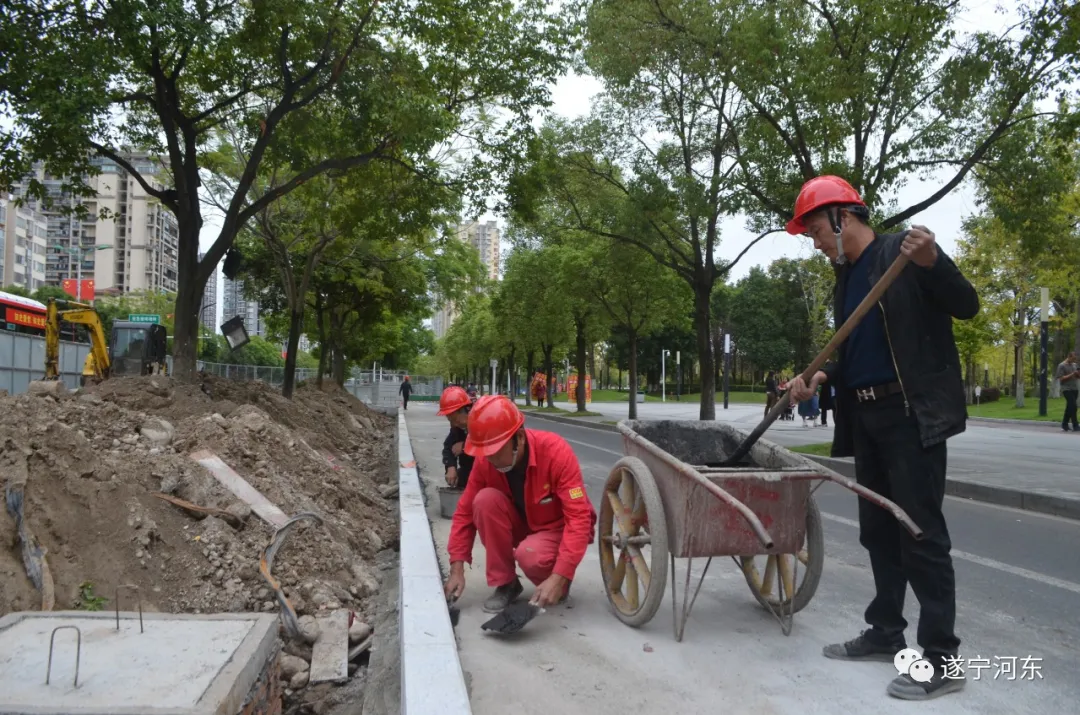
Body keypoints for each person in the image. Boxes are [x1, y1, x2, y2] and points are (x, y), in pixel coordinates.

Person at [785, 175, 979, 701]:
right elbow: (856, 352)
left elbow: (967, 304)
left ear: (844, 216)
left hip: (910, 414)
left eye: (816, 229)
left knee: (920, 534)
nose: (815, 240)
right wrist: (820, 378)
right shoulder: (845, 278)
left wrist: (934, 260)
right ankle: (885, 631)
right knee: (877, 530)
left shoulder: (903, 252)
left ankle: (942, 659)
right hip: (866, 417)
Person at [443, 395, 597, 613]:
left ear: (520, 438)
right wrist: (456, 567)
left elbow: (579, 518)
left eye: (496, 452)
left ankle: (557, 583)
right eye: (486, 453)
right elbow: (464, 513)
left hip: (554, 530)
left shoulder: (556, 452)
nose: (491, 460)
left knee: (530, 554)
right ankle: (506, 583)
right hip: (522, 525)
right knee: (484, 501)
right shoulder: (486, 461)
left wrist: (560, 575)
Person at [438, 386, 475, 490]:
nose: (454, 424)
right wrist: (450, 466)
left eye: (456, 420)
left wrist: (465, 446)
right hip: (469, 468)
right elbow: (448, 446)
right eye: (450, 421)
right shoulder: (457, 427)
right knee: (458, 477)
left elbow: (487, 447)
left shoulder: (482, 420)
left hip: (487, 471)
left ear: (467, 409)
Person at [1057, 351, 1079, 432]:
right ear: (1069, 357)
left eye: (1075, 359)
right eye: (1073, 358)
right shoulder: (1061, 365)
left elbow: (1076, 377)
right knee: (1073, 406)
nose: (1074, 360)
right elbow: (1061, 378)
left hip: (1074, 388)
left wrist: (1077, 374)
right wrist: (1072, 374)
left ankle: (1064, 424)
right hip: (1066, 388)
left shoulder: (1074, 365)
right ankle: (1075, 425)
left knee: (1069, 407)